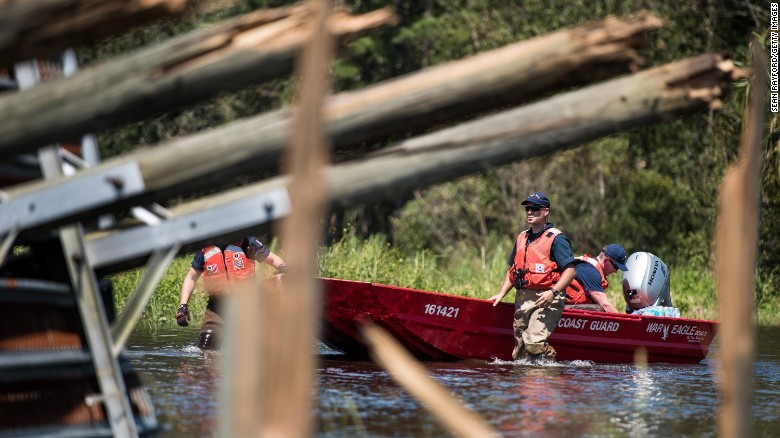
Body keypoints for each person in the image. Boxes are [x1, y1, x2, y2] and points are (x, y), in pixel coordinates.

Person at [489, 192, 576, 361]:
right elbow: (513, 271)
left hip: (547, 297)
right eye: (527, 208)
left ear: (546, 211)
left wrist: (553, 293)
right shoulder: (522, 237)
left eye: (535, 208)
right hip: (523, 298)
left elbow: (571, 271)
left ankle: (551, 366)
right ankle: (527, 380)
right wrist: (501, 294)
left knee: (534, 342)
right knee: (520, 351)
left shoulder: (556, 239)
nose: (529, 212)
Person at [176, 236, 286, 350]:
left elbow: (274, 260)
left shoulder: (248, 243)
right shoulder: (205, 248)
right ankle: (210, 366)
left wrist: (283, 268)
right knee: (206, 346)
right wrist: (183, 305)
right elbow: (191, 278)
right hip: (217, 308)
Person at [564, 244, 628, 313]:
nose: (616, 271)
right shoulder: (590, 271)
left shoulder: (591, 267)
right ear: (606, 261)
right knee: (599, 309)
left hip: (566, 307)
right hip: (561, 308)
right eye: (616, 267)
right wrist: (624, 322)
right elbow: (605, 304)